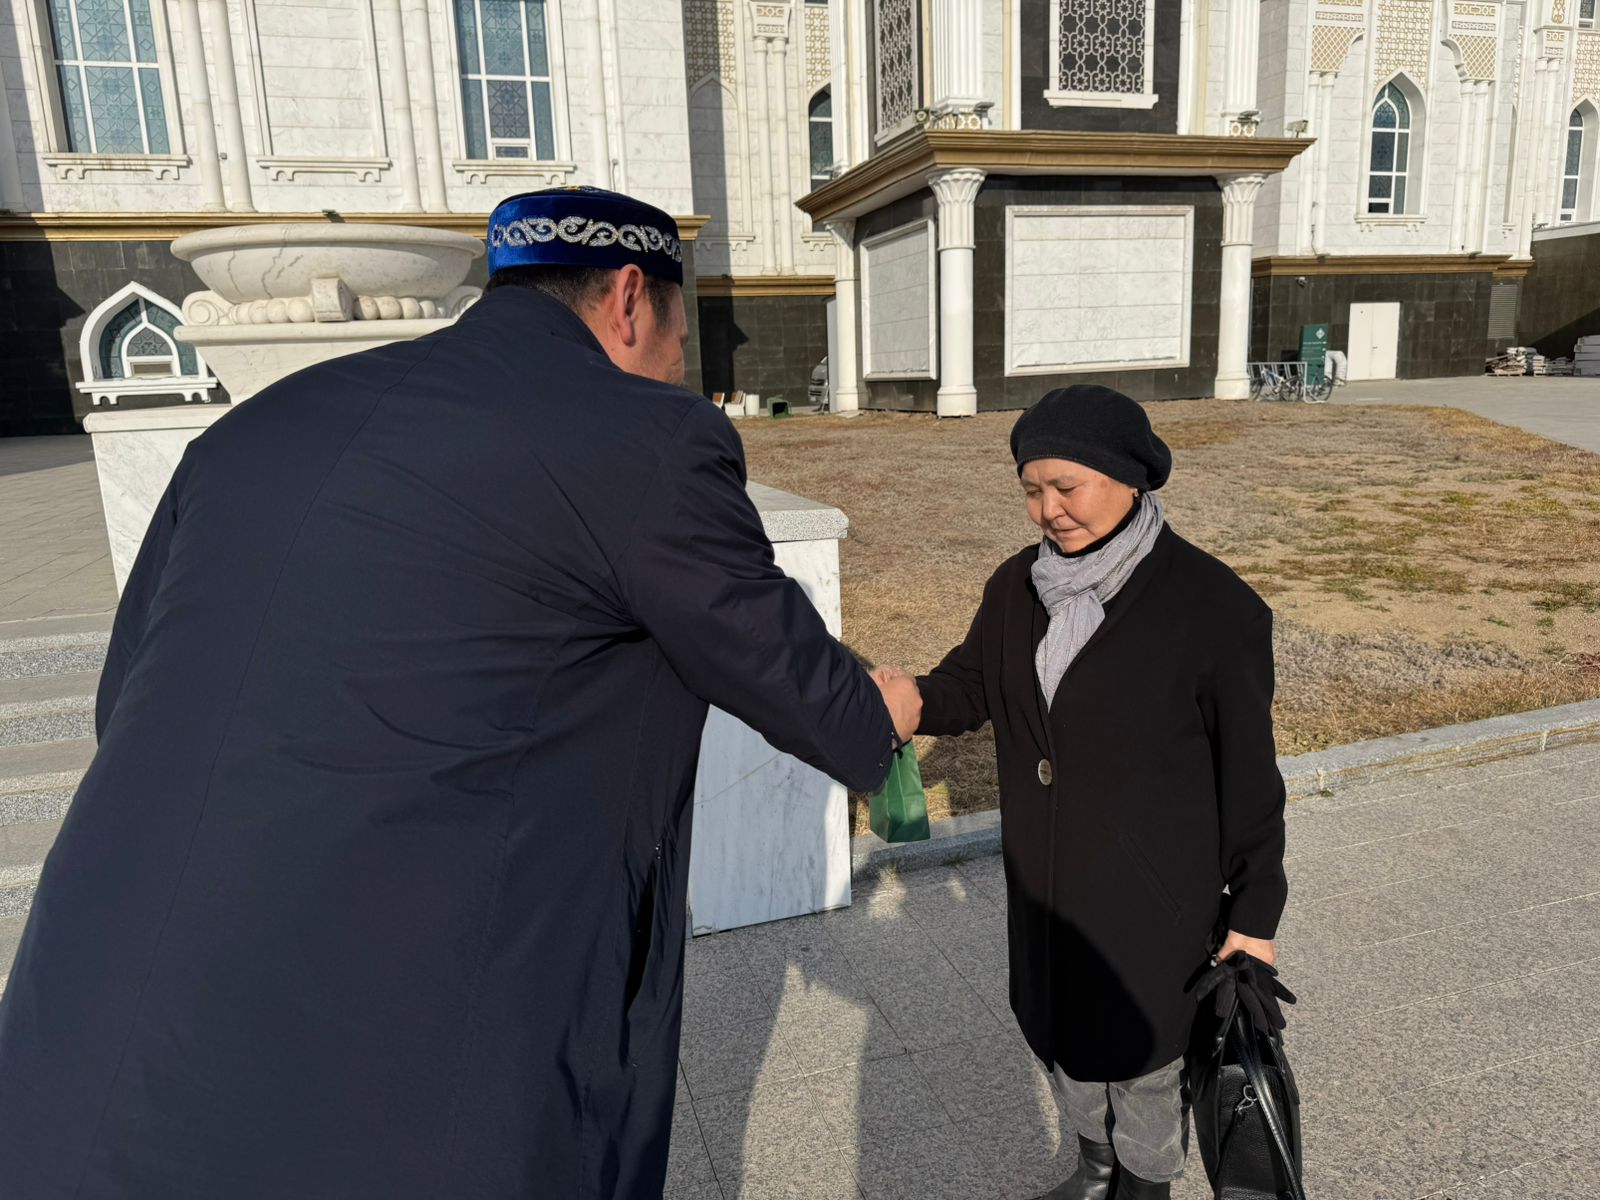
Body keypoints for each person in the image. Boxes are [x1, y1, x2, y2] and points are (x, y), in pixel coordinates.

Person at [0, 186, 921, 1200]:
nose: (676, 367)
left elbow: (124, 699)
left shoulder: (258, 427)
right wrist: (878, 716)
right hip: (382, 1074)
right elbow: (789, 677)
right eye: (678, 336)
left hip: (83, 1036)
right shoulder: (643, 436)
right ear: (629, 297)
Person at [877, 385, 1287, 1200]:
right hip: (1048, 895)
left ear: (1129, 476)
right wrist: (915, 700)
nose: (1048, 511)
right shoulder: (1016, 588)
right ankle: (1094, 1173)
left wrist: (1255, 917)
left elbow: (1249, 777)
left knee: (1142, 1067)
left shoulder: (1213, 607)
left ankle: (1141, 1186)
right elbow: (974, 682)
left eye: (1067, 487)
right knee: (1066, 1044)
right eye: (1032, 490)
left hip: (1152, 904)